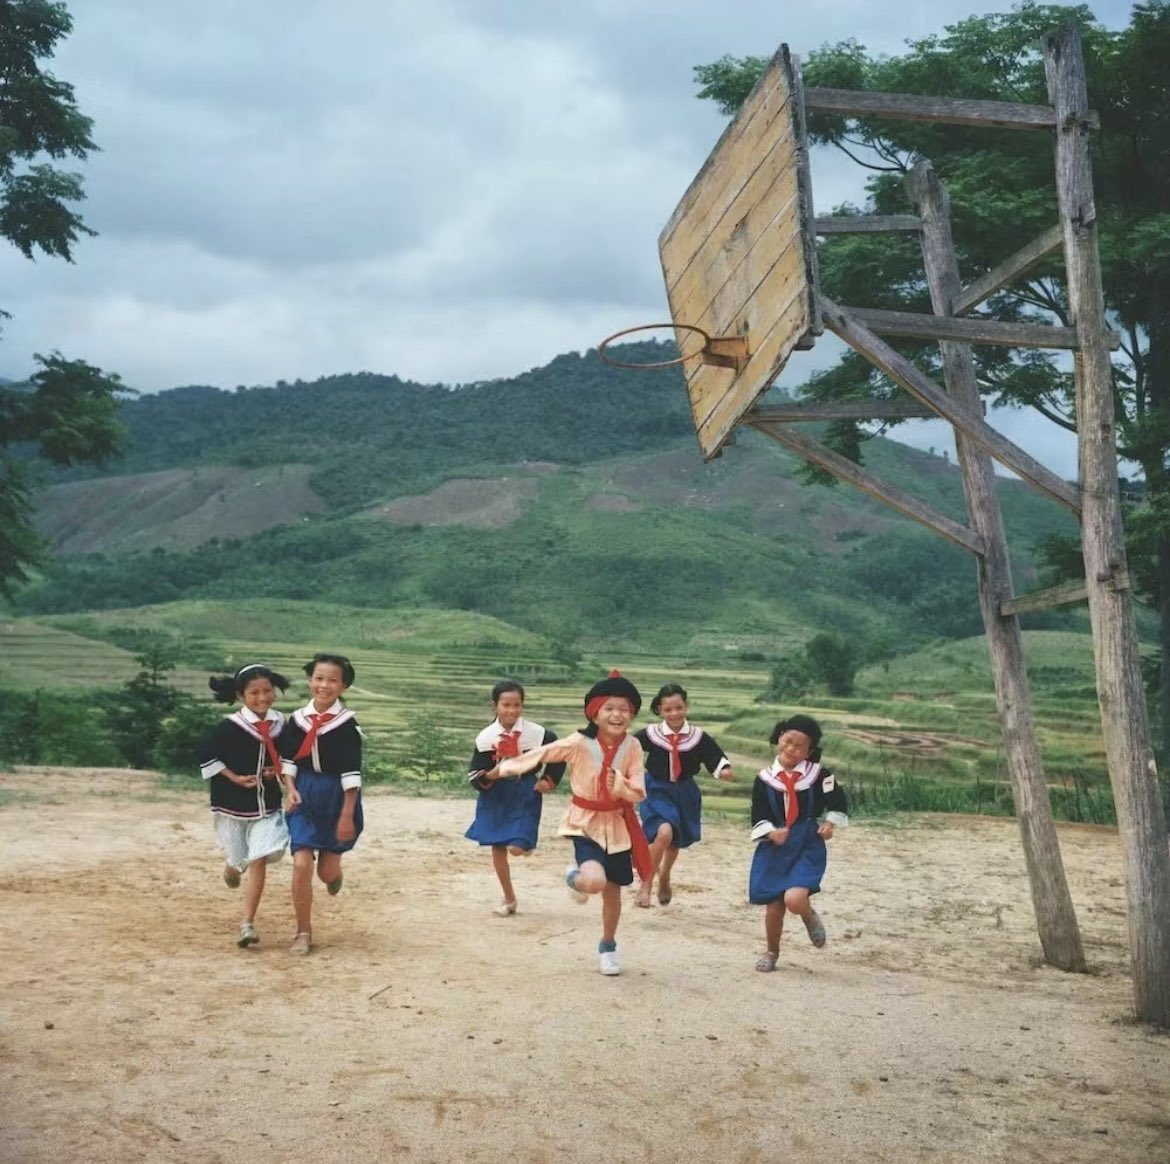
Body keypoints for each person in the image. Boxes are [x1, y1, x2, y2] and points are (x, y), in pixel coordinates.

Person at [484, 670, 648, 976]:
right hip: (585, 822)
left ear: (632, 714)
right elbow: (546, 752)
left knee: (613, 892)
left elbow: (639, 791)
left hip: (619, 825)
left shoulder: (634, 747)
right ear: (595, 713)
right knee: (595, 882)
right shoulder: (579, 743)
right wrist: (511, 766)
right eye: (610, 708)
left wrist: (621, 787)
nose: (617, 715)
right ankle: (575, 877)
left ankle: (608, 945)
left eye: (624, 709)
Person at [199, 663, 297, 949]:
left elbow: (288, 757)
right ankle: (231, 865)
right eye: (254, 692)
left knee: (260, 856)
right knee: (239, 857)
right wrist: (233, 777)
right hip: (231, 805)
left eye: (267, 691)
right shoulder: (229, 727)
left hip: (266, 805)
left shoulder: (282, 725)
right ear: (242, 696)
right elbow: (206, 754)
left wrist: (277, 773)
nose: (262, 698)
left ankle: (247, 923)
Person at [748, 714, 848, 972]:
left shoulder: (819, 775)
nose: (791, 749)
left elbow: (838, 801)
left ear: (809, 751)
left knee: (794, 899)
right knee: (774, 905)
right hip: (776, 847)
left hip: (806, 843)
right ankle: (771, 952)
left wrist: (829, 823)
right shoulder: (764, 779)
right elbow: (758, 814)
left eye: (800, 746)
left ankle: (808, 916)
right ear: (779, 737)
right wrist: (770, 832)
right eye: (788, 741)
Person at [279, 653, 363, 957]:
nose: (324, 685)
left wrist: (346, 816)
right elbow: (287, 759)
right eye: (318, 678)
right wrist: (290, 789)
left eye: (332, 680)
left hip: (338, 797)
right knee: (301, 863)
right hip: (304, 792)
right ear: (309, 680)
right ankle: (303, 932)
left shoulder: (346, 726)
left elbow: (352, 775)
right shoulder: (297, 720)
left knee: (325, 873)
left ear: (343, 686)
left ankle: (334, 874)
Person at [465, 679, 565, 916]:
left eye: (516, 705)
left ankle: (524, 843)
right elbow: (474, 775)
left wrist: (548, 779)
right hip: (495, 796)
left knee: (516, 848)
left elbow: (559, 755)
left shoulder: (539, 734)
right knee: (498, 847)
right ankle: (509, 898)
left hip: (524, 792)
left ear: (523, 705)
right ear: (495, 706)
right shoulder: (485, 738)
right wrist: (494, 773)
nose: (511, 710)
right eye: (506, 705)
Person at [633, 682, 734, 908]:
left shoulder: (698, 737)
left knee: (674, 840)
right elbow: (627, 749)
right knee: (664, 832)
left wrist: (723, 770)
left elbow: (714, 757)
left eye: (678, 707)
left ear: (686, 706)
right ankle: (646, 884)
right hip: (656, 789)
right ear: (660, 710)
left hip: (685, 792)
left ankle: (665, 875)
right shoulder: (650, 734)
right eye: (668, 710)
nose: (674, 713)